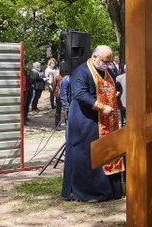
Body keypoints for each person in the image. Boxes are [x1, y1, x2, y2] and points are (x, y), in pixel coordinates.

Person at [61, 45, 123, 201]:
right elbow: (80, 94)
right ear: (94, 56)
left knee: (107, 152)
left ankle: (110, 190)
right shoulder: (81, 71)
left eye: (109, 61)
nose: (107, 64)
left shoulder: (108, 72)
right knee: (86, 153)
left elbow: (115, 86)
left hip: (106, 119)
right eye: (104, 60)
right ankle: (88, 192)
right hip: (85, 119)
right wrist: (101, 106)